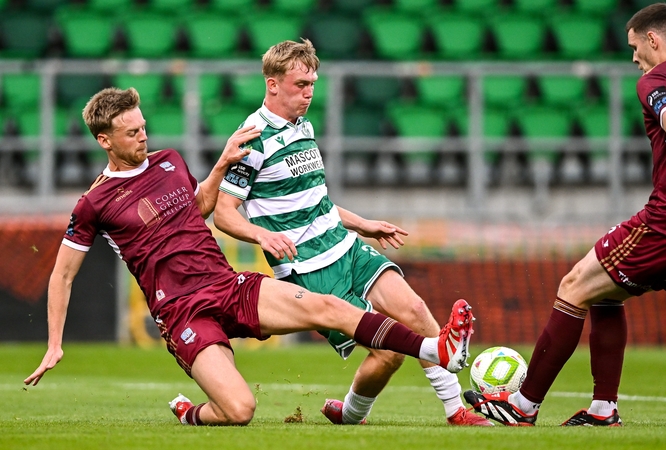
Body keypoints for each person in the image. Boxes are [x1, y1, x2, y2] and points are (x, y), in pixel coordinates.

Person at [23, 87, 477, 427]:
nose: (143, 136)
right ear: (104, 140)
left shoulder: (169, 161)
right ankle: (192, 414)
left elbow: (198, 210)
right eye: (131, 132)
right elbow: (62, 277)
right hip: (181, 310)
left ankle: (435, 348)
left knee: (329, 307)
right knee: (240, 411)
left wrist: (220, 164)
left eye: (143, 127)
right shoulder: (93, 203)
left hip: (226, 284)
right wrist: (55, 344)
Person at [464, 2, 666, 427]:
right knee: (605, 294)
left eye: (635, 46)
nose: (634, 57)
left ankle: (520, 407)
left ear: (653, 38)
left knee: (572, 286)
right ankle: (603, 410)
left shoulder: (659, 80)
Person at [212, 39, 492, 426]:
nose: (309, 93)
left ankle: (455, 409)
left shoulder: (303, 125)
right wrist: (261, 236)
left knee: (414, 309)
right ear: (272, 84)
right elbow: (224, 214)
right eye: (300, 85)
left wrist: (364, 224)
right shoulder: (252, 137)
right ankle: (354, 412)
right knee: (389, 353)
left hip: (346, 246)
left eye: (312, 83)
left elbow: (315, 201)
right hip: (309, 266)